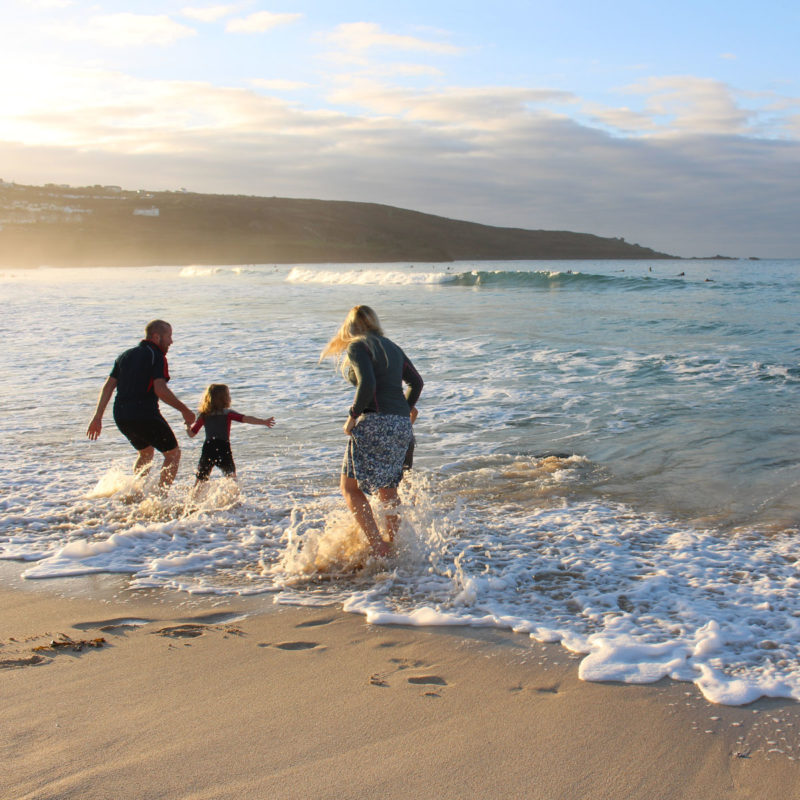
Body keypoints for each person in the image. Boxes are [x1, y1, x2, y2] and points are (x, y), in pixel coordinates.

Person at [320, 305, 423, 558]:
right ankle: (393, 544)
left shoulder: (358, 346)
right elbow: (417, 383)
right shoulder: (392, 347)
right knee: (388, 489)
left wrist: (353, 416)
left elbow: (367, 384)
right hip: (401, 425)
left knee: (350, 488)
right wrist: (404, 410)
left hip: (374, 421)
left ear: (351, 325)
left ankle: (378, 547)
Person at [87, 319, 195, 491]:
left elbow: (108, 387)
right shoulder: (156, 356)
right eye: (169, 336)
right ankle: (160, 498)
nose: (171, 341)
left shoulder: (125, 355)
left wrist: (97, 417)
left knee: (146, 453)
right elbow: (160, 389)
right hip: (144, 414)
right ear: (156, 336)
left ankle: (135, 492)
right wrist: (185, 411)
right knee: (173, 454)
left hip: (121, 415)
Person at [186, 383, 275, 483]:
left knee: (201, 479)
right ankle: (233, 498)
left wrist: (187, 425)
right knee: (231, 478)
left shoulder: (204, 415)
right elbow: (246, 419)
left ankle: (193, 498)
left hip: (208, 448)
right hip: (223, 447)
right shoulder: (227, 413)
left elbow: (192, 434)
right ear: (224, 398)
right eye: (228, 395)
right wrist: (263, 421)